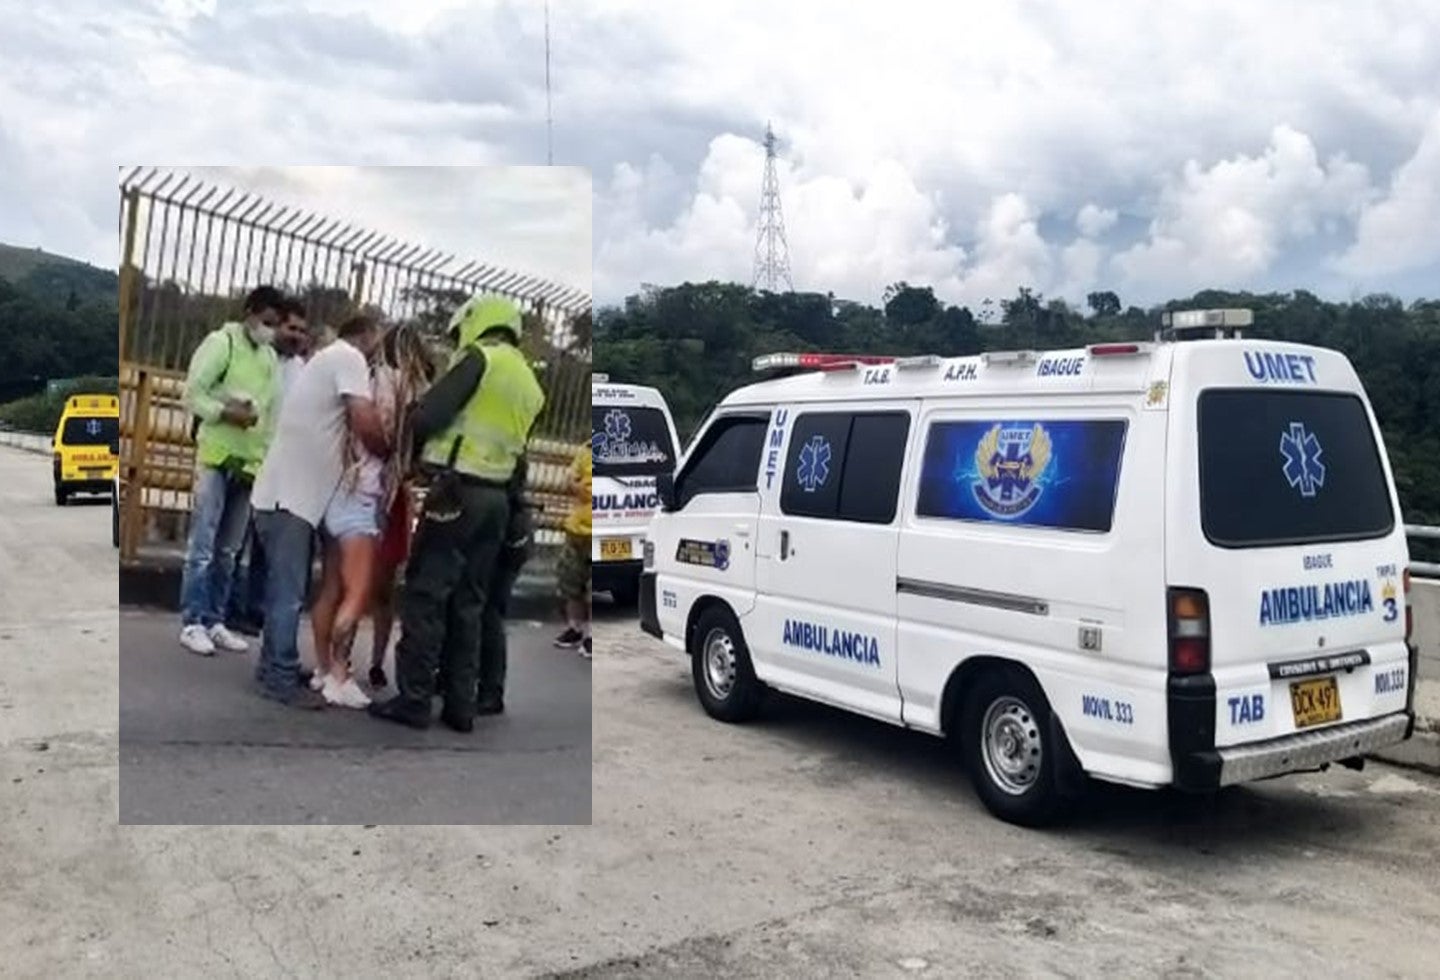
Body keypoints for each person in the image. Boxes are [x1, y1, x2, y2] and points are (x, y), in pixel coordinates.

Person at [369, 295, 544, 732]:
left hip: (455, 492)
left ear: (473, 321)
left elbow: (430, 416)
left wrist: (407, 441)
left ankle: (414, 698)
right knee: (470, 602)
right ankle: (460, 706)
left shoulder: (479, 359)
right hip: (497, 500)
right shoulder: (529, 380)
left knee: (426, 594)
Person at [248, 314, 390, 709]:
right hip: (290, 498)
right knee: (288, 593)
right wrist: (390, 451)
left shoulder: (324, 360)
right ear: (366, 336)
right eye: (377, 342)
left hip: (283, 495)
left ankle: (273, 666)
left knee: (284, 588)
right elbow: (364, 421)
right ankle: (279, 678)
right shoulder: (348, 357)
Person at [309, 322, 432, 707]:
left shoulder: (361, 377)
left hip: (335, 485)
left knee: (332, 585)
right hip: (363, 494)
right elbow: (398, 445)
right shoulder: (400, 386)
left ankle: (322, 669)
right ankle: (339, 675)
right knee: (358, 591)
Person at [178, 285, 284, 657]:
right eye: (266, 321)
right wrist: (224, 412)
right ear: (250, 313)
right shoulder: (221, 344)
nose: (270, 330)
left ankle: (215, 619)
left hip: (248, 462)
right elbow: (192, 393)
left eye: (275, 324)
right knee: (203, 546)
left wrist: (264, 460)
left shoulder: (269, 358)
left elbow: (270, 416)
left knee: (229, 550)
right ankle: (192, 621)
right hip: (216, 455)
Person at [226, 295, 312, 637]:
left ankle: (255, 610)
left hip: (282, 469)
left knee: (265, 546)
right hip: (250, 457)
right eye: (291, 328)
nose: (296, 336)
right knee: (234, 540)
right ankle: (228, 607)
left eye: (302, 331)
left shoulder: (302, 370)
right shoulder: (262, 361)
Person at [364, 324, 438, 691]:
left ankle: (347, 660)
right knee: (383, 590)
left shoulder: (376, 379)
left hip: (372, 492)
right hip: (392, 495)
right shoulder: (417, 392)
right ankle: (375, 663)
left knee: (360, 583)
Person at [552, 446, 592, 658]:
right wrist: (576, 486)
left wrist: (582, 488)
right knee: (570, 582)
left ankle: (592, 636)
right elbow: (569, 480)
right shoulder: (586, 450)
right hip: (576, 530)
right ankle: (575, 629)